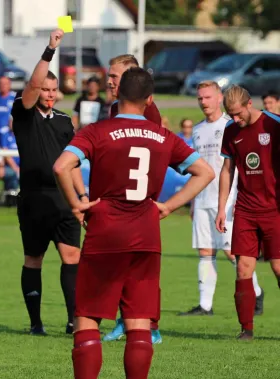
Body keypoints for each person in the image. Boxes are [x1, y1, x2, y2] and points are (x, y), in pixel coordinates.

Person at [54, 67, 214, 379]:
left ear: (115, 93)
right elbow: (205, 172)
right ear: (150, 99)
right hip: (145, 235)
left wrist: (77, 204)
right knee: (139, 321)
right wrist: (167, 206)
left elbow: (61, 166)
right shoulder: (164, 136)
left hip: (104, 232)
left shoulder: (97, 131)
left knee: (87, 316)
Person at [11, 29, 87, 335]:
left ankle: (73, 320)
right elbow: (31, 84)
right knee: (34, 259)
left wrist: (82, 198)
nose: (50, 93)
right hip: (33, 199)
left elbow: (74, 165)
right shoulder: (24, 113)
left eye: (54, 89)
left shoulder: (65, 121)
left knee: (72, 256)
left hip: (64, 199)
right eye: (45, 88)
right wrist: (50, 49)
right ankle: (35, 323)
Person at [181, 80, 264, 317]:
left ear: (220, 98)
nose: (203, 102)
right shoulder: (197, 130)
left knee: (232, 252)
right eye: (200, 98)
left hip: (228, 199)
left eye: (207, 97)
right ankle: (205, 305)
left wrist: (238, 198)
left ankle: (256, 292)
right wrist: (193, 202)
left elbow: (234, 167)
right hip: (203, 198)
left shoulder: (231, 125)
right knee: (205, 252)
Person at [102, 54, 164, 344]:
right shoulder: (115, 107)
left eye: (114, 76)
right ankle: (123, 321)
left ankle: (151, 325)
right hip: (117, 201)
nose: (109, 81)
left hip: (140, 202)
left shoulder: (147, 110)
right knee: (119, 266)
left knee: (143, 268)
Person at [217, 85, 280, 340]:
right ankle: (247, 329)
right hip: (245, 208)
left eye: (238, 114)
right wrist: (222, 207)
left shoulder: (274, 125)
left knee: (278, 268)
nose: (235, 119)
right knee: (243, 267)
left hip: (275, 209)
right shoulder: (231, 130)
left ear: (249, 105)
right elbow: (227, 170)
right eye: (230, 114)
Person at [108, 55, 162, 126]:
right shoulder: (115, 105)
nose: (108, 81)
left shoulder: (146, 107)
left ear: (128, 76)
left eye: (114, 76)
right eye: (109, 76)